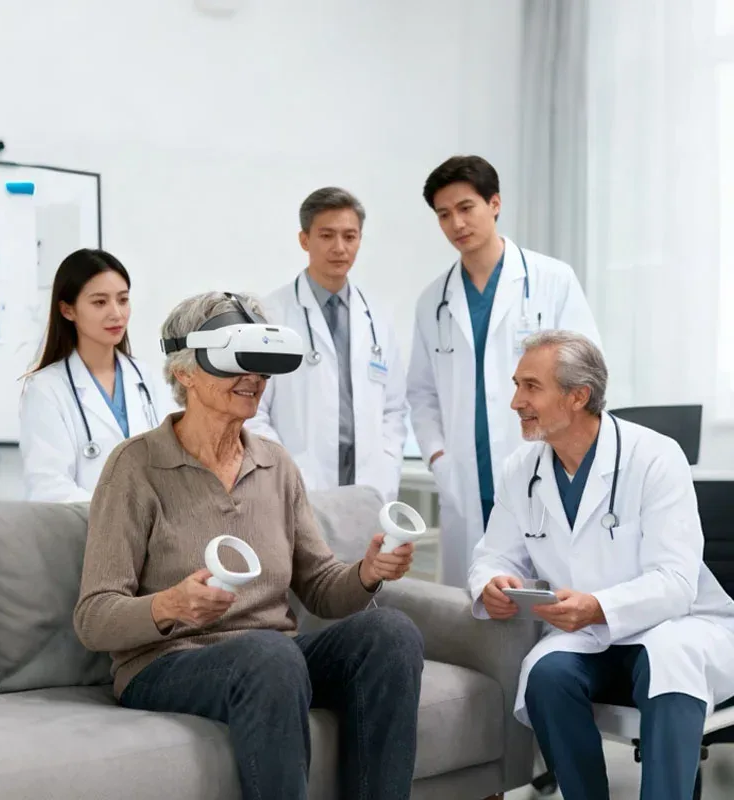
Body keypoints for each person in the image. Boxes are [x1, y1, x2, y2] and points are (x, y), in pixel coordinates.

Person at [74, 291, 424, 800]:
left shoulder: (275, 465)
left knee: (390, 632)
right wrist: (171, 604)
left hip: (272, 659)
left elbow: (323, 588)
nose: (254, 379)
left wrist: (368, 571)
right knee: (268, 655)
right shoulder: (136, 467)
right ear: (184, 373)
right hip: (168, 663)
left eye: (261, 367)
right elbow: (94, 617)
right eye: (237, 364)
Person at [467, 330, 734, 800]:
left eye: (531, 386)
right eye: (516, 385)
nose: (515, 401)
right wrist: (490, 582)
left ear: (577, 396)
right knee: (546, 677)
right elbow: (495, 553)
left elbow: (675, 582)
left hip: (673, 625)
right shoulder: (521, 469)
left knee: (670, 664)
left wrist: (598, 606)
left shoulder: (655, 457)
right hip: (588, 635)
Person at [407, 155, 602, 587]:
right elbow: (420, 394)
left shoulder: (552, 280)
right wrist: (439, 457)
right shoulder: (431, 302)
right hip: (464, 474)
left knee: (551, 604)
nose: (456, 223)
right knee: (480, 605)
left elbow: (587, 374)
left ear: (494, 204)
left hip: (543, 463)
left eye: (466, 208)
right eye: (444, 214)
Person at [246, 187, 408, 502]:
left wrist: (385, 469)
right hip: (299, 479)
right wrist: (286, 472)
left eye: (350, 236)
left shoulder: (377, 317)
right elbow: (254, 410)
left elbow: (394, 408)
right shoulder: (270, 314)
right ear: (304, 240)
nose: (339, 248)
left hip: (367, 481)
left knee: (366, 552)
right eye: (326, 235)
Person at [19, 248, 168, 502]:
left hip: (152, 533)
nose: (117, 314)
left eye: (122, 300)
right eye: (100, 302)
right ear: (68, 310)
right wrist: (121, 516)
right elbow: (49, 488)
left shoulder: (146, 378)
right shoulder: (45, 389)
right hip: (85, 534)